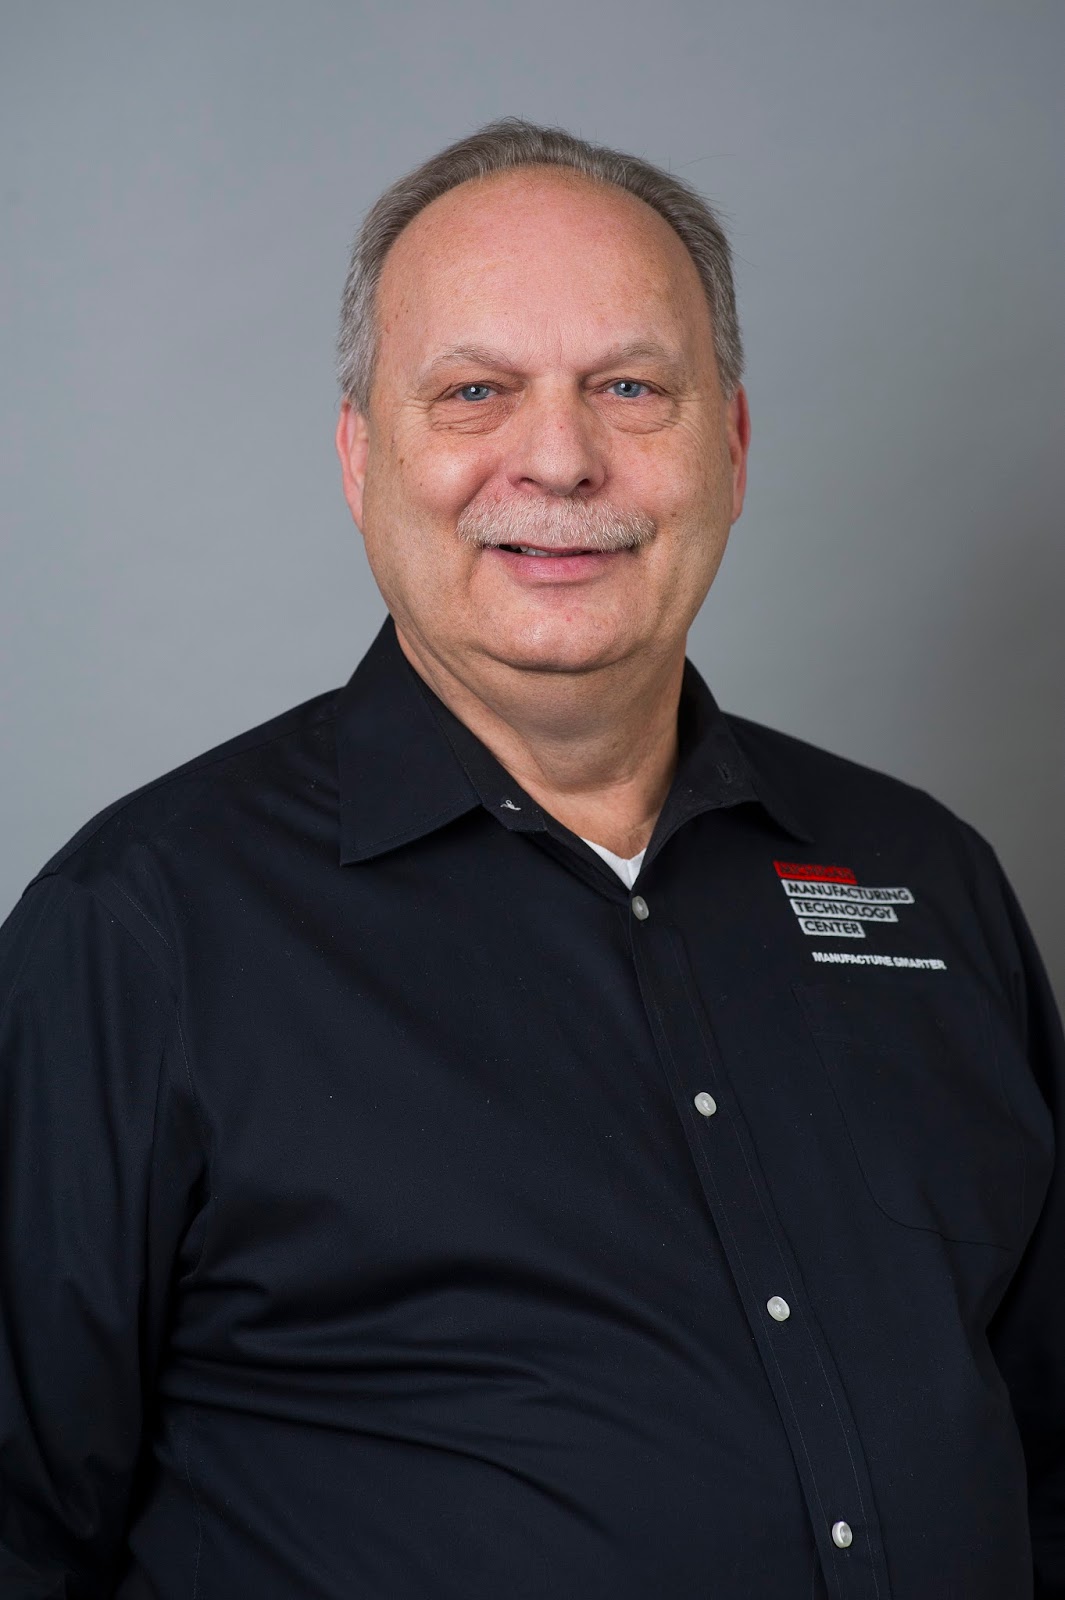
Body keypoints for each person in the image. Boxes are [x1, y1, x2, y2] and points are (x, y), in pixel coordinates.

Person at [0, 118, 1061, 1600]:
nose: (559, 460)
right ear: (362, 458)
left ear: (730, 449)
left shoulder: (927, 878)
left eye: (630, 388)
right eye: (474, 393)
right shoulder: (141, 932)